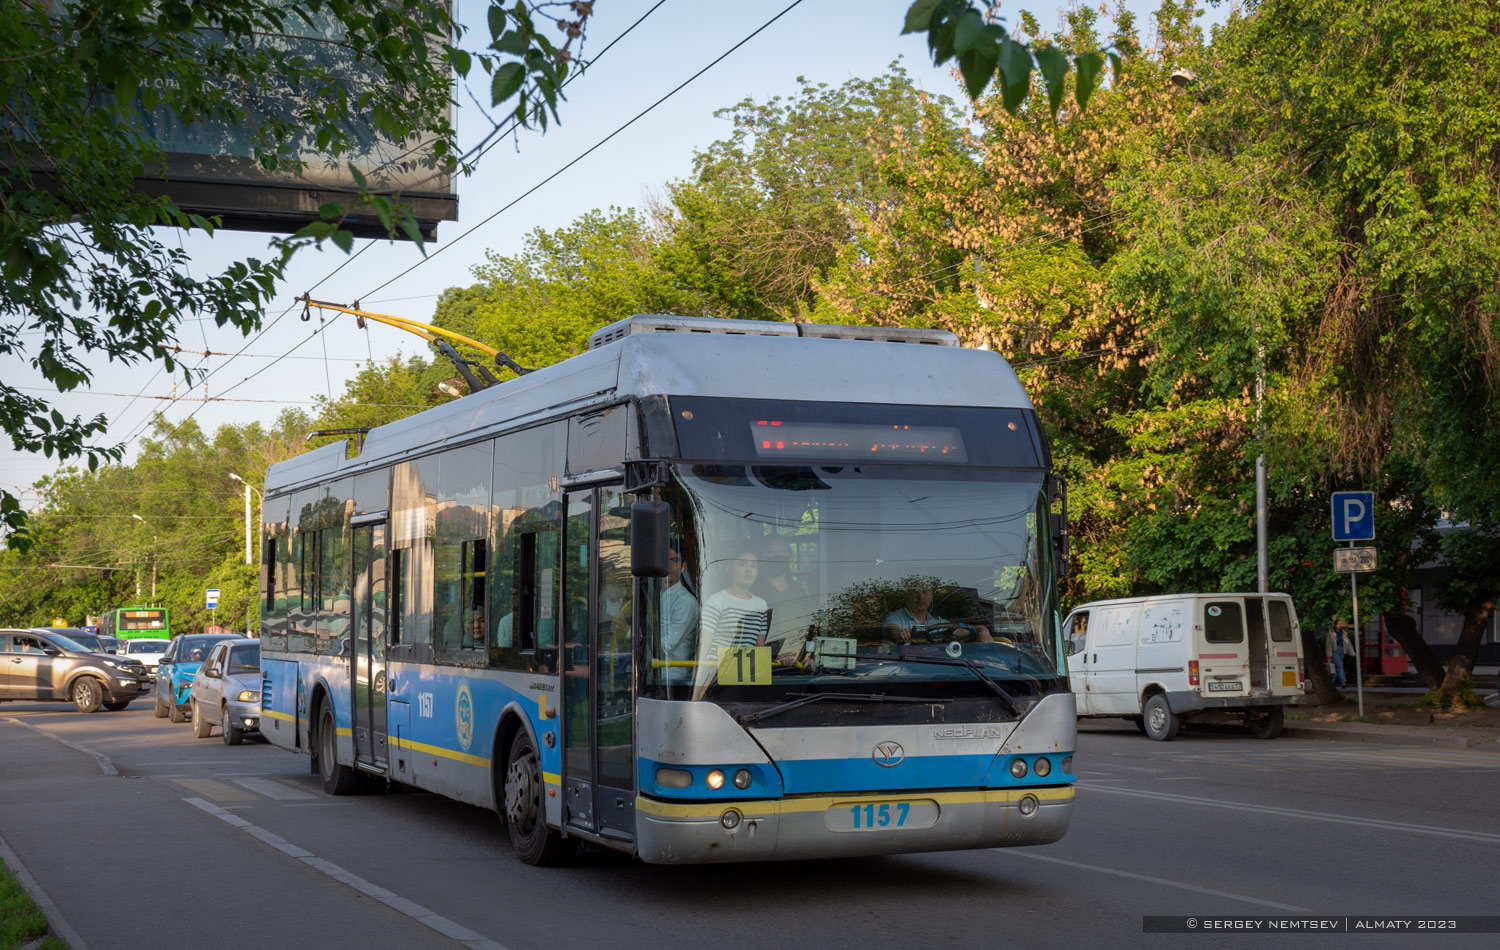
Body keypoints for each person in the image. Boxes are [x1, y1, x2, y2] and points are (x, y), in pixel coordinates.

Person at [753, 535, 813, 662]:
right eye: (771, 552)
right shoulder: (753, 592)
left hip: (800, 665)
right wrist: (778, 656)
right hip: (770, 667)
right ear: (762, 559)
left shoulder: (799, 592)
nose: (777, 556)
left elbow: (812, 629)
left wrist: (809, 655)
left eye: (782, 551)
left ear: (789, 557)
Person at [700, 546, 769, 656]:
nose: (748, 570)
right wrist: (702, 671)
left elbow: (759, 647)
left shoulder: (761, 605)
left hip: (746, 671)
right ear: (729, 569)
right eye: (742, 565)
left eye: (753, 566)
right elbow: (704, 644)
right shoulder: (716, 601)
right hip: (716, 669)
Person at [883, 582, 994, 644]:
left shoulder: (940, 623)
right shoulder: (895, 617)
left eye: (925, 592)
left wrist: (982, 630)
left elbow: (965, 628)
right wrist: (902, 634)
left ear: (932, 596)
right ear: (908, 595)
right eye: (915, 592)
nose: (921, 597)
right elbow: (894, 632)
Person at [660, 543, 699, 685]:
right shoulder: (656, 596)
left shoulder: (686, 602)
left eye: (675, 560)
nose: (669, 565)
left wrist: (629, 634)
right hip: (656, 674)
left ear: (683, 566)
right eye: (665, 559)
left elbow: (668, 644)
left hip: (674, 680)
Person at [1327, 617, 1350, 688]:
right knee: (1340, 667)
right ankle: (1343, 682)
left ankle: (1331, 682)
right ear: (1335, 625)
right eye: (1338, 624)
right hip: (1335, 650)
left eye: (1340, 624)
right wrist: (1329, 656)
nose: (1339, 625)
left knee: (1338, 667)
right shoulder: (1331, 633)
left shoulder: (1343, 632)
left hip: (1341, 649)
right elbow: (1328, 644)